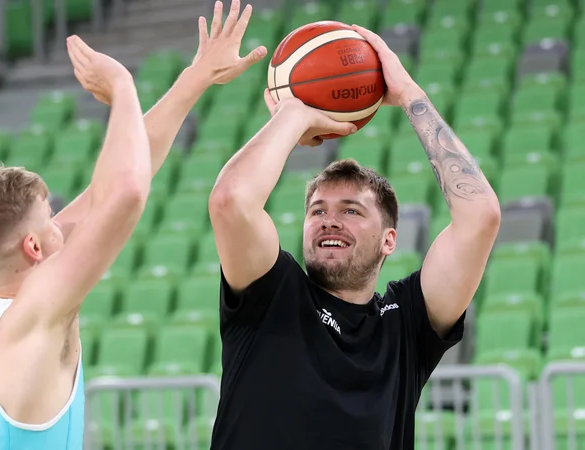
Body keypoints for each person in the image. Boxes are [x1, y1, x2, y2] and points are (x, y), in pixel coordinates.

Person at [0, 1, 267, 448]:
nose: (61, 225)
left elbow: (111, 186)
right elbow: (125, 194)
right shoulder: (32, 316)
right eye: (51, 220)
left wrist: (197, 76)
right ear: (32, 248)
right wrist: (122, 86)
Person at [206, 24, 502, 450]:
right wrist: (296, 113)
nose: (330, 220)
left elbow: (481, 216)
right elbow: (230, 201)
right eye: (318, 211)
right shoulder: (273, 293)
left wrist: (409, 95)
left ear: (389, 240)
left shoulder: (405, 324)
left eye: (351, 211)